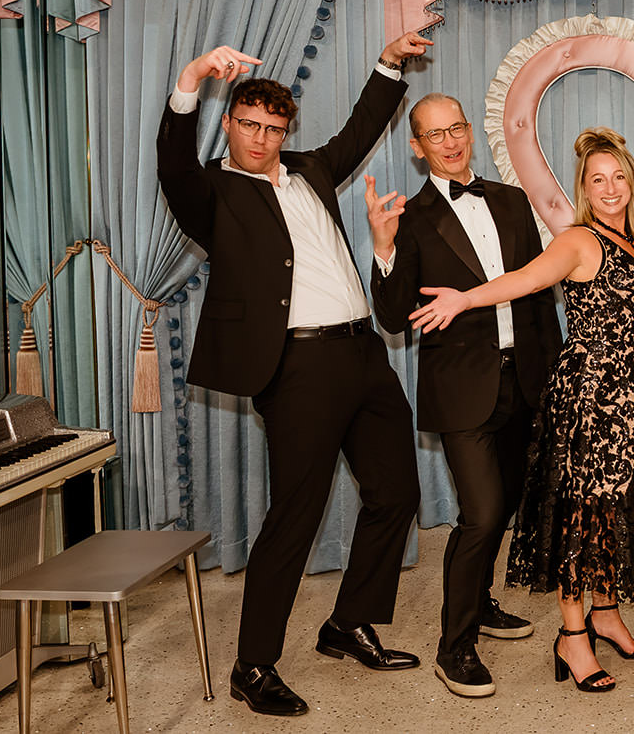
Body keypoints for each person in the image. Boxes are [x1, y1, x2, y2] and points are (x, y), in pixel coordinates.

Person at [155, 36, 429, 718]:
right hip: (298, 365)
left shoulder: (308, 168)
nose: (262, 138)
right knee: (295, 514)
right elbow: (172, 163)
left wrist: (389, 61)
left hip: (365, 353)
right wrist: (190, 79)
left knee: (396, 491)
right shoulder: (211, 191)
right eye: (250, 124)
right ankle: (254, 663)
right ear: (229, 122)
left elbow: (361, 127)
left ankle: (348, 621)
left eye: (274, 128)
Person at [401, 128, 634, 693]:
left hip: (633, 396)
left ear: (631, 183)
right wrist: (466, 298)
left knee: (614, 510)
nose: (610, 188)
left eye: (618, 177)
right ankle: (572, 636)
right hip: (592, 397)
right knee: (582, 514)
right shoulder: (578, 240)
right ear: (585, 191)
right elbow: (524, 280)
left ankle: (607, 613)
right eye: (598, 180)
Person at [366, 93, 562, 699]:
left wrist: (556, 377)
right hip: (462, 390)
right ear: (415, 145)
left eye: (457, 129)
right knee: (479, 514)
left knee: (501, 508)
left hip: (524, 379)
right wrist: (382, 246)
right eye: (435, 135)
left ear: (470, 131)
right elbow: (396, 318)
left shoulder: (509, 200)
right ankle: (454, 649)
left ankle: (479, 604)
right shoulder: (411, 215)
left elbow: (535, 295)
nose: (450, 143)